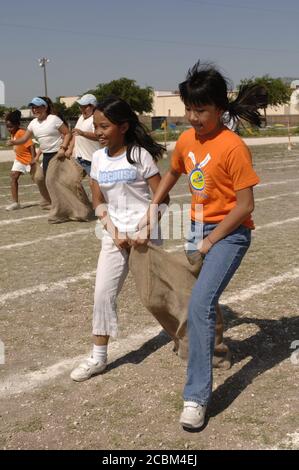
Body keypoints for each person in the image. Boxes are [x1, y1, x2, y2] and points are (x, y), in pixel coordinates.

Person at [140, 60, 268, 430]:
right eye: (190, 110)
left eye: (202, 111)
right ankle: (213, 348)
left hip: (229, 233)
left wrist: (212, 239)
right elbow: (175, 171)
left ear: (219, 109)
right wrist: (155, 204)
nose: (194, 118)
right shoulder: (185, 140)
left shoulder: (232, 147)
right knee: (201, 301)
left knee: (199, 303)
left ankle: (196, 397)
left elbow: (245, 206)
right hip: (197, 229)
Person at [70, 96, 168, 382]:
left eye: (104, 126)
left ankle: (185, 337)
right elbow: (98, 202)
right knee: (102, 294)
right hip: (113, 236)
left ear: (123, 126)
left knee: (157, 297)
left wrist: (143, 231)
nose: (98, 132)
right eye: (96, 126)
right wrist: (114, 233)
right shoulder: (98, 158)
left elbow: (162, 198)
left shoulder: (139, 155)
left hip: (144, 237)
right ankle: (98, 357)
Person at [7, 96, 71, 177]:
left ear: (45, 108)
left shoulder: (53, 119)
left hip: (58, 154)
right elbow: (24, 139)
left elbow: (67, 133)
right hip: (46, 156)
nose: (34, 110)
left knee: (58, 181)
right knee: (46, 181)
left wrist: (63, 148)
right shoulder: (33, 123)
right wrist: (14, 142)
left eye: (37, 107)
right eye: (33, 107)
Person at [65, 94, 100, 186]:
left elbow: (98, 136)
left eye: (85, 106)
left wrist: (83, 133)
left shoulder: (96, 119)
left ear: (93, 106)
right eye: (81, 106)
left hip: (91, 159)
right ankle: (82, 201)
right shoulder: (81, 117)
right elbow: (75, 135)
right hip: (79, 157)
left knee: (95, 185)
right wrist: (70, 149)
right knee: (72, 182)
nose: (82, 109)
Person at [5, 110, 36, 210]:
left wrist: (33, 159)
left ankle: (51, 198)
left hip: (28, 160)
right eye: (7, 126)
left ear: (17, 124)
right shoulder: (13, 133)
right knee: (13, 176)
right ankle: (15, 203)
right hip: (19, 159)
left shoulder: (21, 132)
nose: (9, 129)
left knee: (39, 180)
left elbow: (31, 146)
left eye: (11, 126)